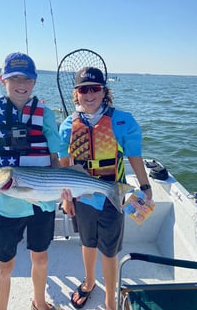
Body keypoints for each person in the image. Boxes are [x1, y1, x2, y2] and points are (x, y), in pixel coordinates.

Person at [58, 66, 153, 310]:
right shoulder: (68, 125)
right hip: (83, 198)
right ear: (76, 94)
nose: (89, 95)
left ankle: (110, 298)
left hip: (113, 195)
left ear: (104, 91)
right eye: (83, 90)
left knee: (109, 250)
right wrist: (66, 198)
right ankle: (89, 282)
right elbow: (64, 165)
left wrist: (145, 186)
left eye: (95, 89)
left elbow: (134, 156)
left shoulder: (123, 120)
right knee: (87, 243)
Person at [0, 52, 62, 310]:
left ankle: (39, 302)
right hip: (8, 204)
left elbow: (55, 159)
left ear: (34, 82)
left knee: (41, 258)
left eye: (27, 78)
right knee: (4, 265)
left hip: (42, 201)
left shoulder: (45, 115)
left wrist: (64, 187)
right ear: (3, 80)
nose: (21, 83)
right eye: (14, 78)